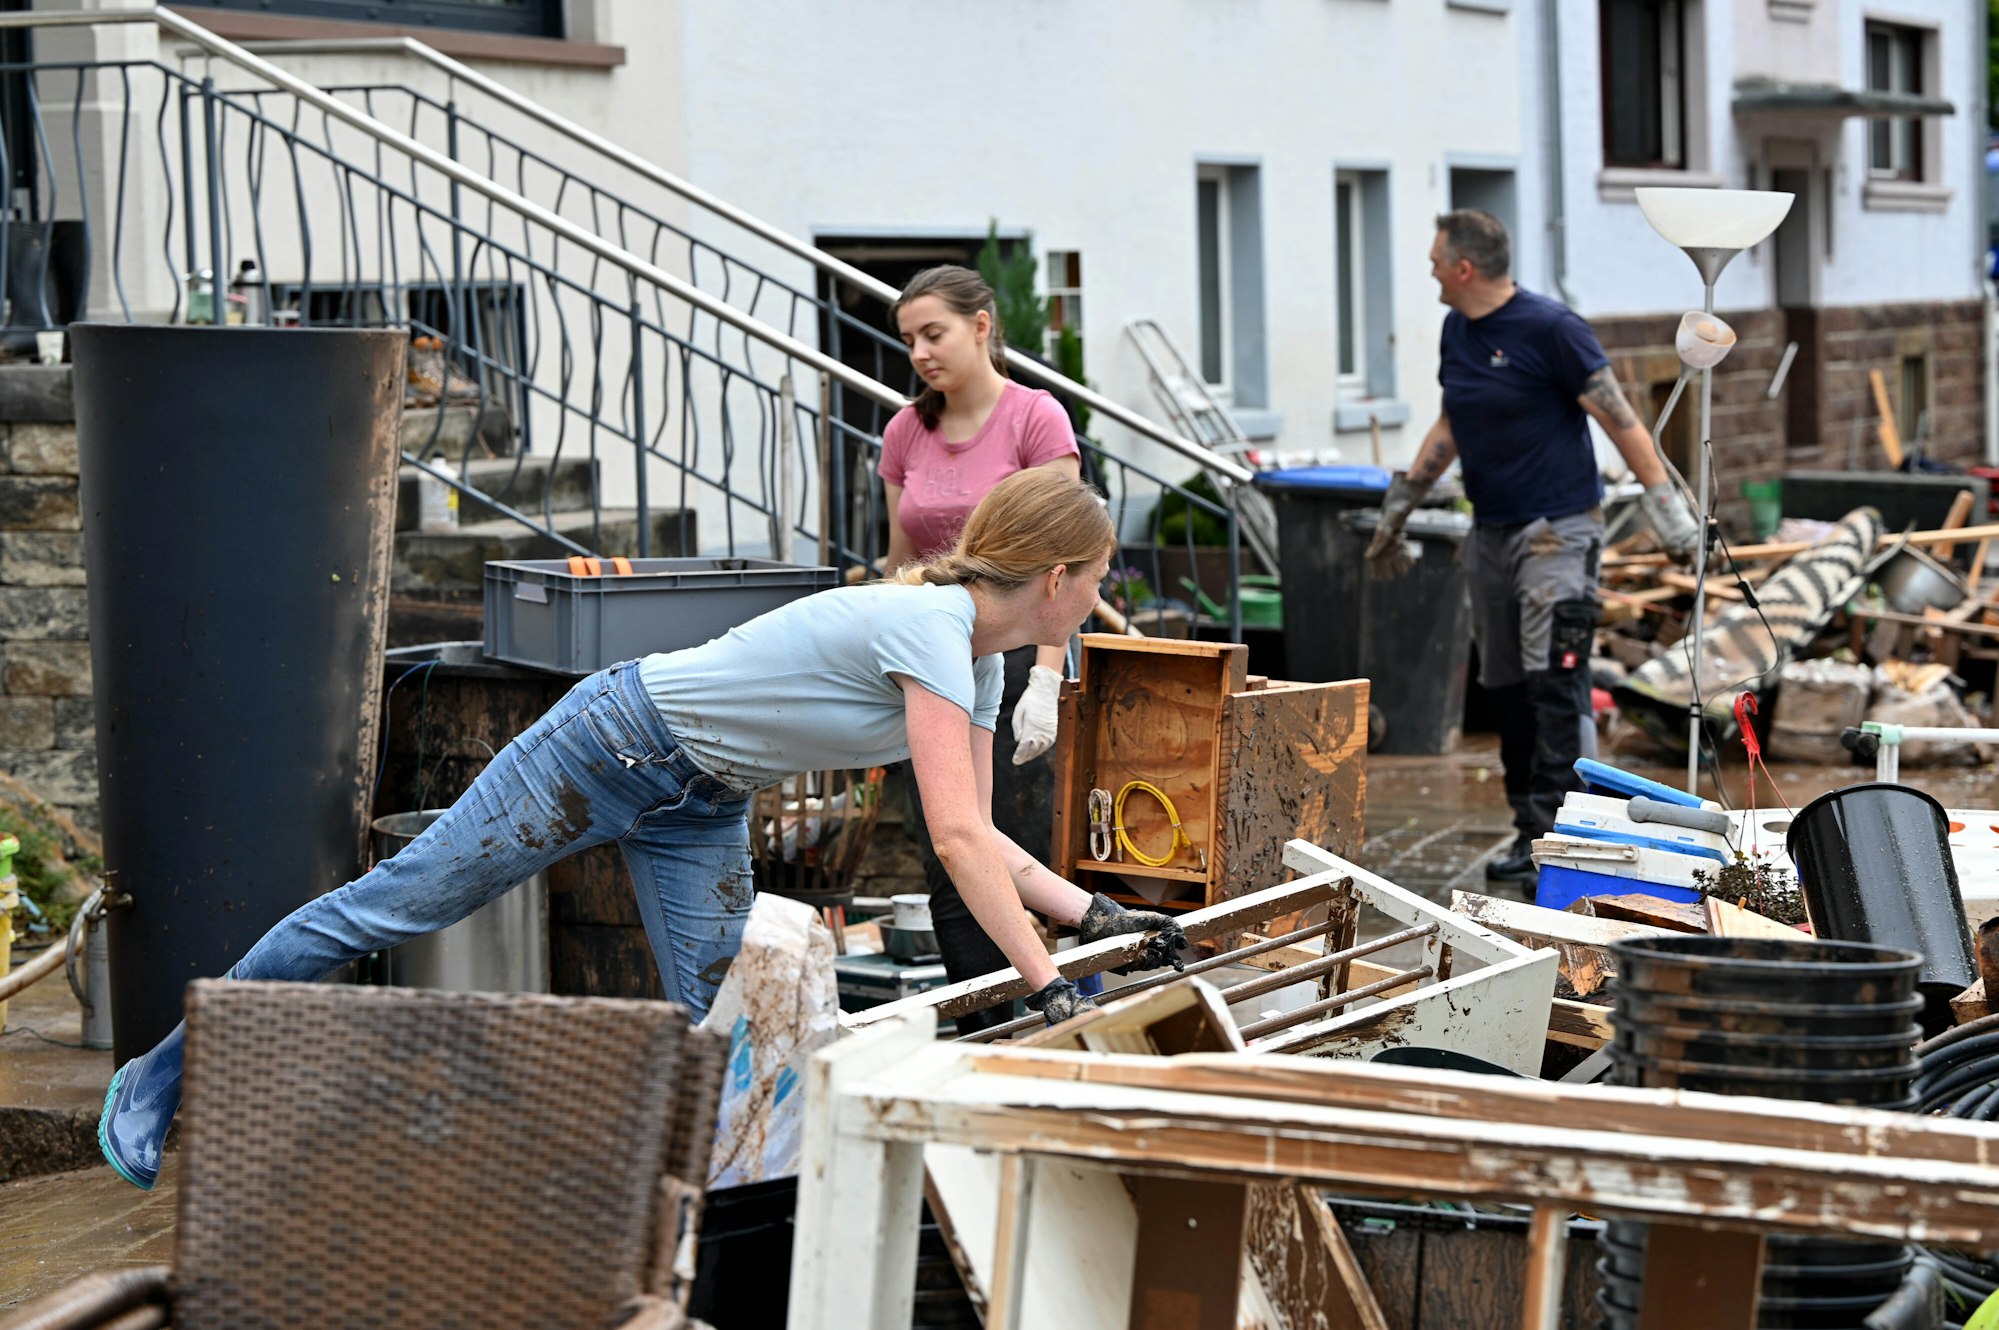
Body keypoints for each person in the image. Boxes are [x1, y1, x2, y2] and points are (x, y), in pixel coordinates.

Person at [96, 467, 1187, 1191]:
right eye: (1093, 584)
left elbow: (983, 833)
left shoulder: (983, 664)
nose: (1093, 603)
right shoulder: (930, 628)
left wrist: (1099, 914)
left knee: (723, 1012)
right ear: (1055, 577)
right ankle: (158, 1076)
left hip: (700, 799)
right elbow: (949, 838)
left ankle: (706, 1223)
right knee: (385, 908)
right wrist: (1046, 977)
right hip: (607, 743)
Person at [1366, 209, 1699, 882]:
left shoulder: (1552, 329)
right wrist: (1399, 506)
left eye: (1435, 260)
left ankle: (1562, 827)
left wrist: (1671, 515)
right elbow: (1452, 419)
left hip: (1556, 529)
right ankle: (1529, 826)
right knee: (1504, 685)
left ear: (1464, 268)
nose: (1429, 269)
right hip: (1489, 529)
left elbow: (1621, 418)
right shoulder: (1456, 330)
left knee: (1554, 678)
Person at [878, 265, 1086, 1031]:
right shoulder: (908, 430)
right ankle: (988, 1026)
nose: (920, 353)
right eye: (908, 340)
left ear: (981, 325)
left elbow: (1069, 559)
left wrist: (1046, 680)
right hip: (931, 666)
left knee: (1018, 845)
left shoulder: (1035, 419)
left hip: (1022, 660)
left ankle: (1053, 1010)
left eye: (933, 333)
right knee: (949, 855)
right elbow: (898, 560)